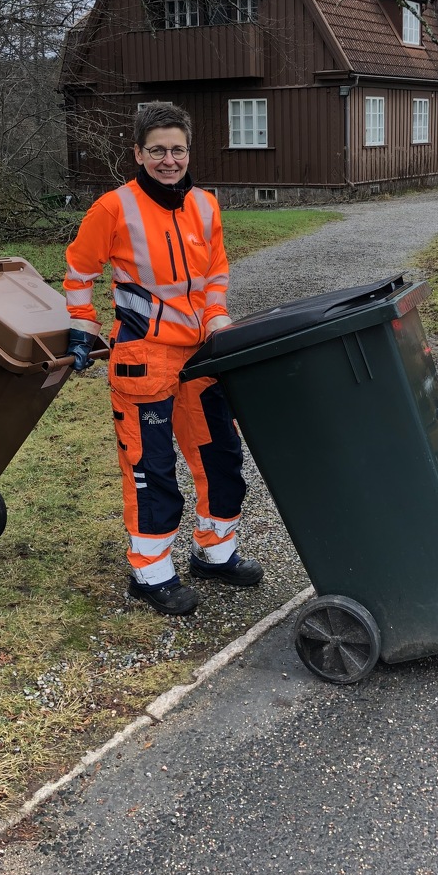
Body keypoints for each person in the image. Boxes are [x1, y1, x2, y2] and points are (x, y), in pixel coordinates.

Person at [63, 104, 263, 616]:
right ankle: (151, 573)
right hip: (144, 357)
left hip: (202, 354)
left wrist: (218, 316)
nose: (168, 160)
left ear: (188, 151)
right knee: (151, 468)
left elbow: (216, 272)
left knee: (220, 455)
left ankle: (215, 553)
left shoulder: (205, 206)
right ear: (138, 153)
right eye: (157, 150)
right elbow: (79, 272)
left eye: (177, 149)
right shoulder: (113, 208)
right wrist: (82, 325)